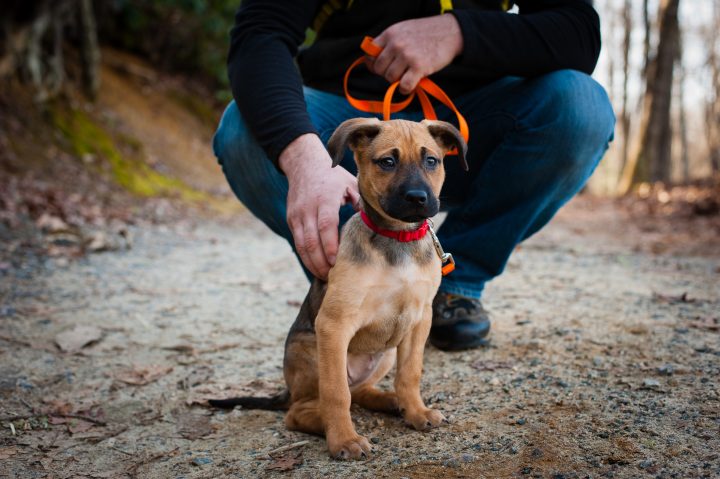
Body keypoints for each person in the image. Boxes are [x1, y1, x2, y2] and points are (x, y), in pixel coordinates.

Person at [213, 0, 615, 351]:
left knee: (581, 106)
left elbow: (577, 31)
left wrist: (460, 32)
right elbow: (260, 33)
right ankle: (353, 286)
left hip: (477, 122)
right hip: (344, 118)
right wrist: (304, 157)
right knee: (241, 131)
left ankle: (451, 284)